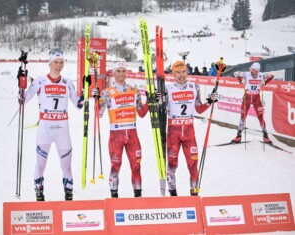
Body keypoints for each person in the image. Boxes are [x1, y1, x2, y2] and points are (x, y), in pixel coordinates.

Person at [19, 48, 87, 201]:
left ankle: (68, 195)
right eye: (55, 62)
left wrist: (85, 92)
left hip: (62, 130)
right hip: (45, 130)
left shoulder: (67, 82)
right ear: (49, 63)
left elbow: (78, 104)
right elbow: (22, 100)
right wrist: (21, 83)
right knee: (41, 164)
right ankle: (39, 193)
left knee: (67, 166)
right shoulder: (40, 81)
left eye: (61, 62)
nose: (58, 65)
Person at [161, 60, 218, 197]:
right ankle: (173, 193)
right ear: (173, 74)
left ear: (187, 72)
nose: (181, 75)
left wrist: (210, 101)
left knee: (193, 164)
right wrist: (158, 99)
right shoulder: (167, 89)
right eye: (178, 72)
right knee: (172, 165)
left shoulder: (194, 87)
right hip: (173, 132)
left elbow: (199, 109)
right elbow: (160, 109)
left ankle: (194, 193)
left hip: (189, 132)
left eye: (183, 72)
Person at [92, 62, 148, 198]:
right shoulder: (107, 92)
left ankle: (138, 195)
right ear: (114, 73)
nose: (121, 74)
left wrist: (150, 102)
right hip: (116, 137)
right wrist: (96, 100)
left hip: (132, 136)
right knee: (115, 166)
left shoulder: (134, 91)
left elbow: (141, 113)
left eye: (124, 71)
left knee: (136, 166)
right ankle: (114, 196)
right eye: (119, 71)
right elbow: (98, 114)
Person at [232, 62, 274, 143]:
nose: (251, 71)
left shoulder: (262, 75)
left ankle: (265, 136)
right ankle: (238, 136)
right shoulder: (246, 74)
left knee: (260, 117)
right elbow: (235, 73)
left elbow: (272, 76)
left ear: (257, 71)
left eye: (253, 70)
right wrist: (241, 80)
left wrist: (265, 82)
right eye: (251, 69)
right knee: (243, 116)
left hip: (256, 98)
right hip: (247, 97)